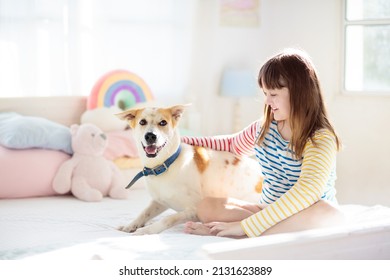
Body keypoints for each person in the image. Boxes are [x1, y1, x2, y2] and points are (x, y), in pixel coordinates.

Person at [182, 48, 345, 238]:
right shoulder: (264, 129)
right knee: (206, 207)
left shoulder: (320, 138)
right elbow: (232, 144)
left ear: (299, 93)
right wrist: (182, 141)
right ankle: (260, 228)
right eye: (265, 93)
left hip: (307, 212)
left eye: (273, 94)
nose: (267, 101)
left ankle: (247, 230)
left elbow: (307, 192)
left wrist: (242, 227)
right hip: (268, 210)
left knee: (328, 213)